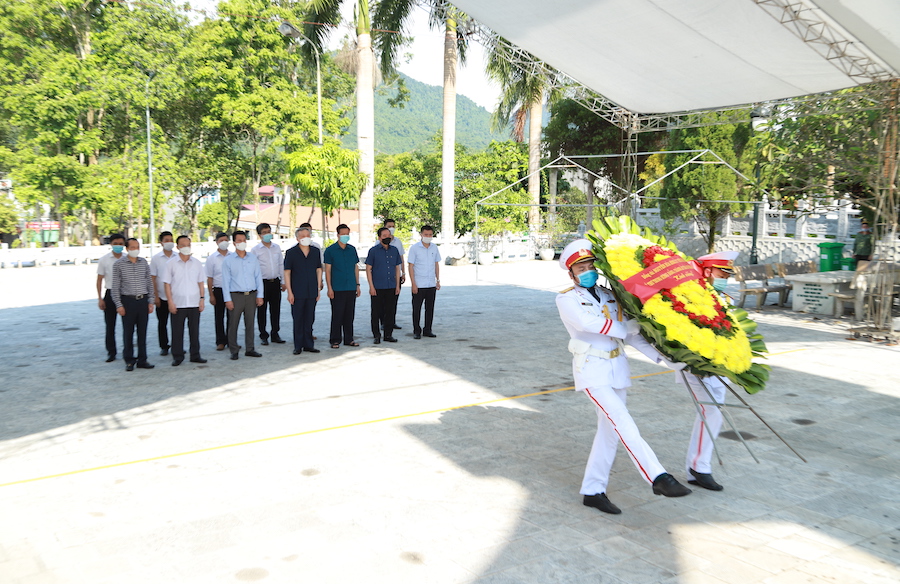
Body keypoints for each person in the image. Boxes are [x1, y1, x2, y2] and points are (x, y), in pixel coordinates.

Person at [555, 239, 691, 515]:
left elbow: (633, 336)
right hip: (592, 371)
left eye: (590, 265)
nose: (587, 270)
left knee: (610, 433)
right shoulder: (567, 299)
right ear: (571, 273)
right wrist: (624, 326)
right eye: (581, 267)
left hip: (617, 370)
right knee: (622, 421)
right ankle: (657, 477)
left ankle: (593, 490)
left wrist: (668, 361)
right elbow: (588, 323)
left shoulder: (609, 295)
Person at [678, 250, 740, 492]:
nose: (725, 277)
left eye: (727, 273)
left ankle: (698, 466)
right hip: (698, 366)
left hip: (718, 364)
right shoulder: (691, 297)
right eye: (720, 272)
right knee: (711, 411)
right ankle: (698, 467)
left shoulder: (724, 297)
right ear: (706, 271)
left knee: (713, 411)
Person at [111, 238, 155, 371]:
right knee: (128, 332)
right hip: (128, 301)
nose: (135, 249)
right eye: (132, 247)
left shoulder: (144, 262)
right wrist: (119, 305)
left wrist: (151, 301)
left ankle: (143, 359)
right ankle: (129, 360)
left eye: (137, 247)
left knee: (142, 332)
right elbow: (115, 287)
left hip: (142, 300)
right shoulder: (119, 264)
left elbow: (149, 282)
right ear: (127, 248)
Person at [163, 235, 206, 366]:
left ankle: (195, 355)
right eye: (183, 245)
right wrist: (170, 302)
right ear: (178, 247)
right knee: (177, 331)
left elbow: (200, 282)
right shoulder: (170, 263)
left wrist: (202, 299)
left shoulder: (197, 263)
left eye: (188, 244)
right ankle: (177, 356)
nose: (186, 247)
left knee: (194, 330)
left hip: (193, 302)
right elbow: (167, 284)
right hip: (178, 303)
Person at [222, 231, 264, 360]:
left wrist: (260, 295)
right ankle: (234, 350)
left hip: (251, 295)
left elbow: (258, 277)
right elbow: (225, 281)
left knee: (250, 323)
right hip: (236, 296)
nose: (242, 243)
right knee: (233, 324)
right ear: (234, 243)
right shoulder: (228, 260)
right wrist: (227, 300)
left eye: (244, 240)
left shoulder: (252, 258)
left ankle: (250, 349)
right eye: (239, 240)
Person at [284, 226, 322, 354]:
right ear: (297, 238)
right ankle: (298, 345)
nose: (306, 238)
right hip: (297, 291)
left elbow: (318, 269)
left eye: (308, 235)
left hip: (311, 290)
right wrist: (289, 291)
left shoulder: (315, 251)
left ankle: (309, 344)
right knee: (298, 318)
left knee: (310, 318)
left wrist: (318, 288)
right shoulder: (291, 252)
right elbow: (287, 272)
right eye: (302, 236)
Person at [324, 224, 361, 348]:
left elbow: (355, 267)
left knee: (349, 315)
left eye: (347, 234)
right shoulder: (330, 250)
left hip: (350, 286)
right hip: (337, 288)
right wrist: (329, 287)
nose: (345, 236)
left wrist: (357, 284)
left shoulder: (352, 249)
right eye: (343, 234)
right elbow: (327, 270)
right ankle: (335, 339)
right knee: (337, 314)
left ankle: (349, 339)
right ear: (338, 235)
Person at [365, 227, 402, 344]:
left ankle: (388, 335)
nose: (387, 237)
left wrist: (397, 285)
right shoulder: (373, 251)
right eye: (384, 236)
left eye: (388, 235)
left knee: (390, 311)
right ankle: (376, 335)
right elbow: (368, 269)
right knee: (376, 312)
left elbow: (397, 268)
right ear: (379, 237)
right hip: (377, 287)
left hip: (391, 285)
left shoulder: (394, 250)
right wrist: (371, 286)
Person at [252, 222, 286, 345]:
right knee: (262, 310)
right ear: (260, 235)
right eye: (264, 233)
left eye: (268, 232)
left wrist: (283, 281)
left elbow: (281, 264)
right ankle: (263, 335)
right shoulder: (255, 250)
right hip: (262, 283)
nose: (267, 235)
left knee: (275, 309)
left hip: (275, 282)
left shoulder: (276, 247)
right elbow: (254, 269)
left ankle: (275, 333)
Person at [408, 225, 441, 339]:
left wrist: (438, 280)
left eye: (430, 235)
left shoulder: (434, 248)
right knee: (417, 308)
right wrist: (413, 283)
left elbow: (436, 264)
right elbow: (411, 266)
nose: (428, 237)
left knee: (430, 308)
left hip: (431, 283)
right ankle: (417, 330)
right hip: (419, 283)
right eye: (426, 234)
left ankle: (428, 329)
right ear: (421, 235)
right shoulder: (415, 248)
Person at [97, 233, 126, 362]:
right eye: (116, 244)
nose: (118, 246)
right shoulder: (104, 260)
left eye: (121, 244)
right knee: (110, 325)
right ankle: (111, 352)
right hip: (110, 293)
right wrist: (100, 298)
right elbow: (99, 280)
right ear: (111, 244)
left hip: (125, 294)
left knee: (128, 325)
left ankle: (128, 350)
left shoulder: (128, 258)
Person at [150, 231, 176, 356]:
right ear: (161, 242)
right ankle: (164, 346)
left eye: (171, 240)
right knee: (162, 323)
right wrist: (155, 296)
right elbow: (153, 278)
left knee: (176, 324)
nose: (169, 242)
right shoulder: (156, 259)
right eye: (166, 240)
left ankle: (177, 345)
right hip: (161, 296)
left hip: (176, 296)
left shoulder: (178, 256)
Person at [206, 232, 232, 351]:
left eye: (226, 240)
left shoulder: (233, 256)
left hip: (232, 290)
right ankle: (221, 341)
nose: (224, 242)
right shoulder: (212, 258)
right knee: (219, 317)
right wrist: (211, 295)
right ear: (216, 242)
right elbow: (209, 277)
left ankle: (232, 340)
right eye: (221, 240)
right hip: (218, 290)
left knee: (232, 317)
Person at [382, 218, 405, 330]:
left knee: (393, 300)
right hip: (383, 277)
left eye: (393, 226)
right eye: (389, 226)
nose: (392, 228)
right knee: (383, 302)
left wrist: (403, 272)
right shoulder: (379, 242)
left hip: (395, 276)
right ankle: (383, 322)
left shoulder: (398, 242)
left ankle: (392, 321)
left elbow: (401, 258)